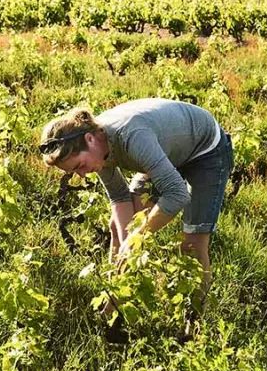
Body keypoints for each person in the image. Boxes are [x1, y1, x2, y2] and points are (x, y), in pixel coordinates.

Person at [39, 98, 233, 296]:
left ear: (90, 139)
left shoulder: (130, 136)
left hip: (206, 150)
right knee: (119, 227)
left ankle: (195, 322)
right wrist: (127, 245)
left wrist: (137, 237)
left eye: (79, 166)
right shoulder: (97, 150)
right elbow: (119, 196)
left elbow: (177, 194)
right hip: (167, 150)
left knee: (192, 245)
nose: (82, 175)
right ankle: (115, 300)